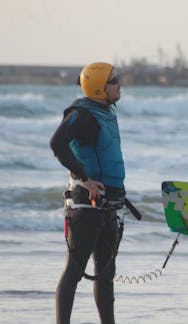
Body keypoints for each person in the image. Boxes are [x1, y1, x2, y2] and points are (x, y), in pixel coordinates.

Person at [50, 62, 126, 324]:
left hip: (107, 206)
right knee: (74, 271)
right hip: (85, 205)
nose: (119, 84)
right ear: (97, 87)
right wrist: (86, 179)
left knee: (106, 275)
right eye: (114, 80)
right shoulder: (82, 114)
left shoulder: (105, 112)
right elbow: (57, 143)